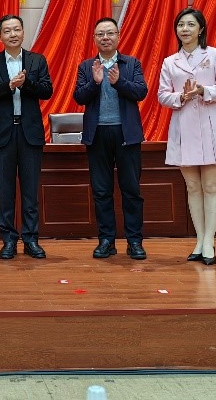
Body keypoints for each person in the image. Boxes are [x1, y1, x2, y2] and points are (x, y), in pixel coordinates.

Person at [158, 7, 216, 266]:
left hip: (210, 123)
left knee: (211, 186)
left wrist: (204, 90)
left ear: (201, 29)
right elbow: (163, 95)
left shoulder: (214, 54)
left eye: (190, 24)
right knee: (193, 187)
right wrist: (181, 96)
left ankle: (209, 242)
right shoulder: (170, 61)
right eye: (181, 25)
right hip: (184, 125)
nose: (185, 29)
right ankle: (199, 239)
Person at [0, 14, 53, 260]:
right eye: (7, 31)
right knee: (5, 190)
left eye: (17, 29)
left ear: (23, 32)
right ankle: (8, 239)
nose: (13, 34)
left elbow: (47, 91)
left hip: (29, 132)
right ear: (0, 36)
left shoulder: (37, 60)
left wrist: (26, 83)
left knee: (30, 191)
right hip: (3, 134)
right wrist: (9, 86)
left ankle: (31, 239)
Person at [74, 17, 148, 260]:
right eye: (100, 34)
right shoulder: (87, 66)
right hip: (97, 134)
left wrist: (119, 82)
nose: (105, 38)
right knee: (101, 190)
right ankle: (106, 240)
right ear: (94, 39)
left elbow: (141, 91)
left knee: (131, 190)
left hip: (126, 133)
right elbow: (79, 97)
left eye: (110, 33)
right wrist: (95, 83)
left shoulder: (131, 63)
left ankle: (134, 241)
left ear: (118, 36)